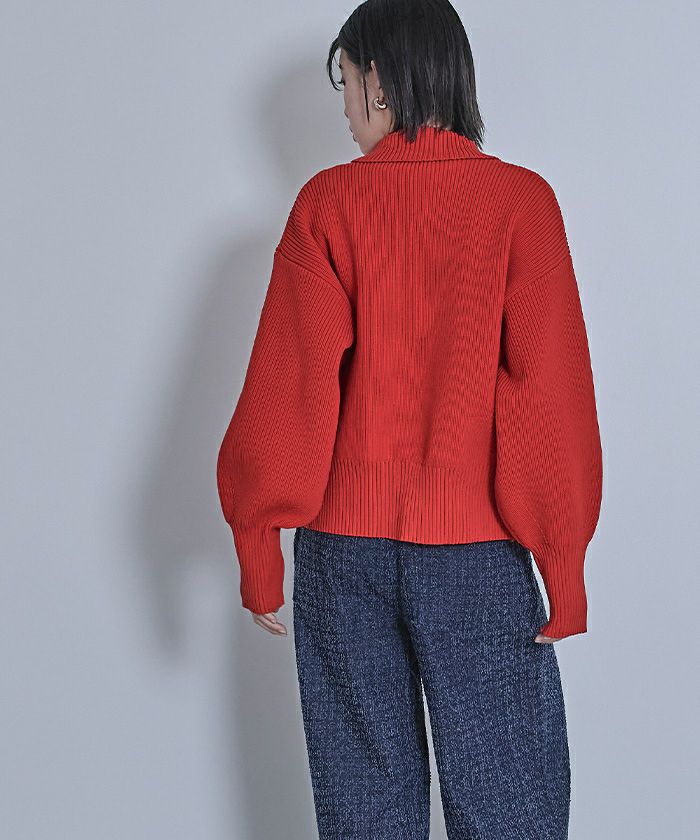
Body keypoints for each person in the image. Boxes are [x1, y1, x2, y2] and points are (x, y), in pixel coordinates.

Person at [216, 0, 603, 836]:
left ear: (381, 80)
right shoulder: (519, 203)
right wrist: (562, 560)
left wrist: (259, 541)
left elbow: (290, 384)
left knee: (364, 813)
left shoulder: (328, 204)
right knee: (511, 807)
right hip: (476, 559)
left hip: (341, 560)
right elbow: (548, 395)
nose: (345, 105)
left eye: (347, 82)